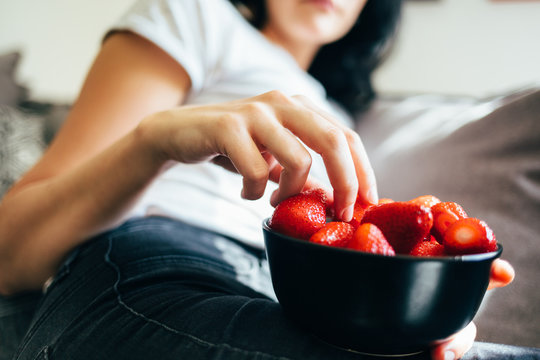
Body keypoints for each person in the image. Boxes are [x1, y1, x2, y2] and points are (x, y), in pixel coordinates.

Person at [0, 0, 515, 359]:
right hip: (155, 268)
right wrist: (152, 142)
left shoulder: (342, 114)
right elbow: (9, 255)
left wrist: (422, 306)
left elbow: (364, 246)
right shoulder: (198, 14)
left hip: (283, 298)